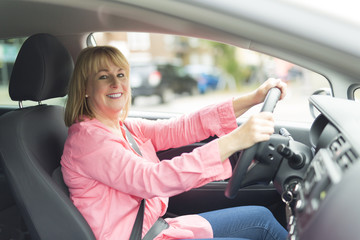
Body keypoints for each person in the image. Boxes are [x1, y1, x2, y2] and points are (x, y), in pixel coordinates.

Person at [61, 46, 288, 240]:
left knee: (262, 218)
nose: (115, 83)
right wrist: (234, 141)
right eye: (103, 76)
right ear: (85, 90)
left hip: (159, 229)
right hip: (143, 236)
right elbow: (153, 179)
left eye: (121, 75)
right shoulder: (88, 141)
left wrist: (253, 98)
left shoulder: (122, 126)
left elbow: (180, 127)